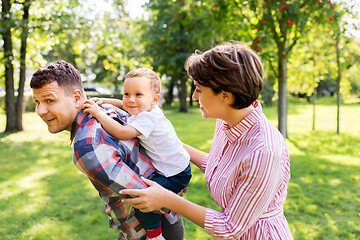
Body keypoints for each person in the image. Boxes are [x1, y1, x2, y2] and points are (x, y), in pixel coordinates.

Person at [120, 42, 294, 239]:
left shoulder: (264, 152)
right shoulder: (228, 122)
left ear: (225, 96)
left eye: (199, 89)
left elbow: (230, 227)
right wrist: (171, 151)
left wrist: (166, 198)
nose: (194, 96)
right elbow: (220, 167)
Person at [30, 60, 185, 240]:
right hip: (167, 219)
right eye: (37, 102)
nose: (40, 110)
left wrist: (175, 192)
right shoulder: (104, 109)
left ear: (77, 98)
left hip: (151, 230)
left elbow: (145, 197)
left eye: (49, 100)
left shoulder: (87, 148)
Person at [82, 68, 192, 240]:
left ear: (155, 99)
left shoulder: (149, 118)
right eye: (126, 93)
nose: (130, 100)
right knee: (146, 197)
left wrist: (98, 113)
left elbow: (121, 132)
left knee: (144, 198)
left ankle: (155, 236)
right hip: (176, 168)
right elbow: (122, 104)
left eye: (138, 94)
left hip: (175, 174)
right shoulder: (144, 109)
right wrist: (102, 100)